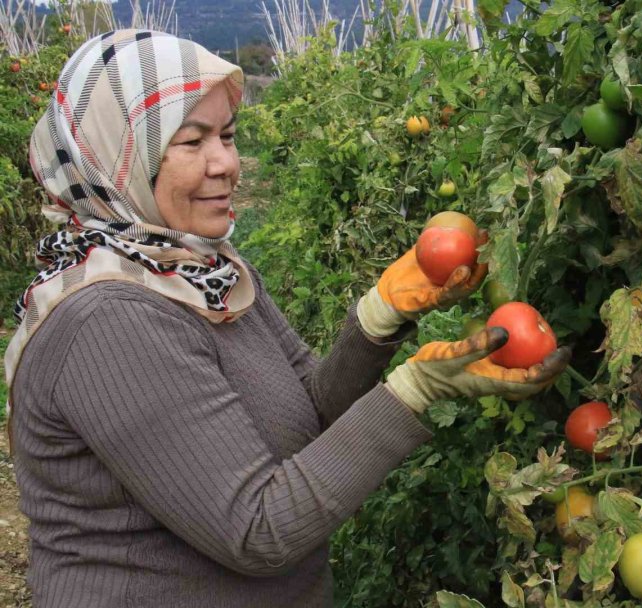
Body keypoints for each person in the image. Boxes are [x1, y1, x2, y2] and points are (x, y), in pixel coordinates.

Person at [4, 29, 570, 607]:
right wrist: (416, 388)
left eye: (226, 135)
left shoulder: (203, 272)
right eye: (192, 141)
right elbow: (258, 529)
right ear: (117, 155)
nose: (226, 163)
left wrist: (379, 316)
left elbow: (308, 412)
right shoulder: (107, 321)